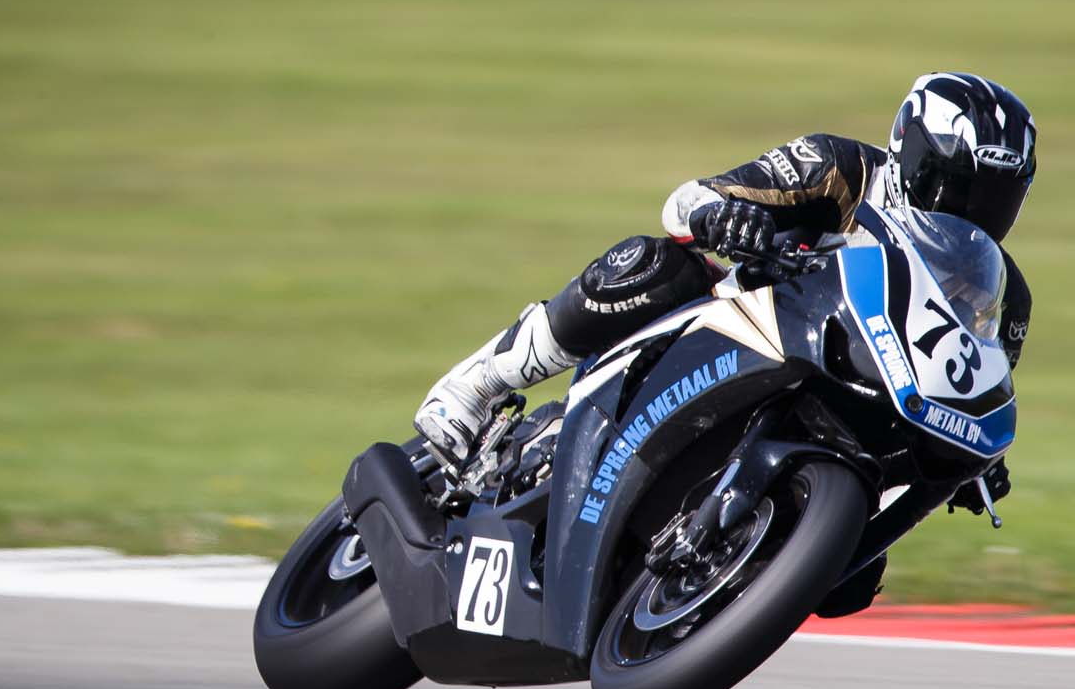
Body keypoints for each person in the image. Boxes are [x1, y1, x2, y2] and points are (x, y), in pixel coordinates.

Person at [414, 71, 1036, 527]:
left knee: (853, 586)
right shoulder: (839, 168)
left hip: (853, 408)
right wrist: (723, 218)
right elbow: (684, 201)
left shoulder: (1003, 297)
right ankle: (478, 383)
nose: (972, 214)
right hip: (741, 332)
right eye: (957, 187)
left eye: (996, 198)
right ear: (911, 156)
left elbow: (971, 388)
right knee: (655, 264)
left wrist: (977, 463)